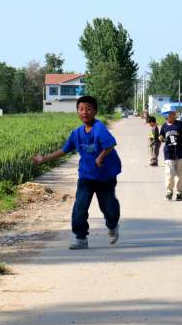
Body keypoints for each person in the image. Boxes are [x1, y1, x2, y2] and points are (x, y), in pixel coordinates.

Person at [32, 96, 121, 250]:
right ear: (77, 112)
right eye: (81, 109)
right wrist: (44, 159)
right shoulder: (77, 133)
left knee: (109, 208)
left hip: (105, 176)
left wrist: (100, 157)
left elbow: (110, 144)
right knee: (80, 207)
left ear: (95, 111)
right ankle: (81, 239)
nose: (84, 112)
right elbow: (64, 150)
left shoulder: (99, 128)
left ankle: (112, 225)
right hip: (86, 176)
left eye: (88, 108)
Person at [159, 104, 182, 201]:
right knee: (170, 174)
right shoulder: (164, 126)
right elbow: (161, 136)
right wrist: (161, 138)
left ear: (174, 114)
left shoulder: (181, 125)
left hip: (180, 153)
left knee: (180, 175)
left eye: (168, 114)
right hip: (169, 153)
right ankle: (169, 191)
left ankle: (179, 193)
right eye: (165, 115)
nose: (167, 116)